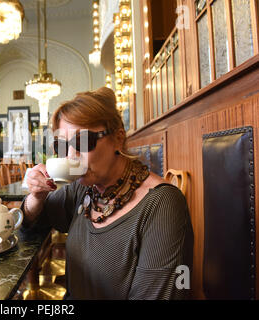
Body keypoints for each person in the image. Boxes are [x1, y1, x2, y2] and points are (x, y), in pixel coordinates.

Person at [23, 87, 194, 300]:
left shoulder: (162, 204)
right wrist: (37, 196)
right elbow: (31, 220)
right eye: (62, 145)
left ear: (118, 138)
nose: (70, 157)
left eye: (83, 142)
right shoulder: (84, 188)